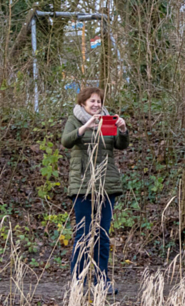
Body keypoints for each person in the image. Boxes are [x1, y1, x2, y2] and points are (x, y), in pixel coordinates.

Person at [61, 86, 129, 293]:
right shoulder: (75, 119)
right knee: (83, 234)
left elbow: (120, 145)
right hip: (82, 186)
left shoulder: (108, 120)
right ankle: (78, 282)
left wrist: (123, 129)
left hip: (107, 185)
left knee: (103, 235)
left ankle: (102, 281)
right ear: (83, 103)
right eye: (92, 101)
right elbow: (66, 141)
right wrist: (86, 127)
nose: (96, 105)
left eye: (98, 101)